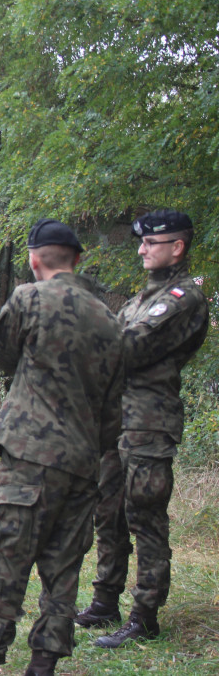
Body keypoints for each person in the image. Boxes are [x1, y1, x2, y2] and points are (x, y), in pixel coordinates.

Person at [0, 218, 125, 676]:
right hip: (84, 465)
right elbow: (115, 411)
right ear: (78, 260)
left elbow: (1, 354)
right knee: (63, 574)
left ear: (34, 259)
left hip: (30, 460)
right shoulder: (111, 321)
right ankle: (42, 668)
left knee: (8, 567)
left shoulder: (28, 298)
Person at [75, 209, 209, 648]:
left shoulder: (181, 297)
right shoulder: (141, 299)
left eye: (151, 243)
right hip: (117, 419)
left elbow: (127, 348)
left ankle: (145, 615)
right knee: (107, 511)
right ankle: (105, 601)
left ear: (178, 247)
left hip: (149, 423)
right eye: (142, 242)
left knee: (144, 515)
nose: (141, 249)